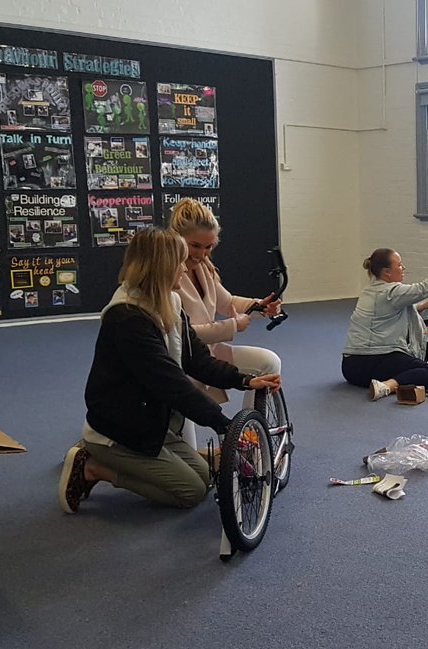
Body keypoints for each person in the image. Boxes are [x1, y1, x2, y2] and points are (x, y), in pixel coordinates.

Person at [59, 227, 281, 513]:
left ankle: (122, 460)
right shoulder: (127, 318)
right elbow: (171, 384)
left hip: (151, 421)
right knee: (190, 492)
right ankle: (94, 467)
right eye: (179, 262)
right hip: (118, 430)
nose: (184, 268)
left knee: (203, 479)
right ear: (161, 267)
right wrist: (223, 424)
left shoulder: (170, 301)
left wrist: (246, 381)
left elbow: (197, 361)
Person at [170, 198, 282, 448]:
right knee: (192, 471)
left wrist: (260, 306)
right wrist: (233, 326)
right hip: (178, 364)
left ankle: (251, 439)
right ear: (176, 239)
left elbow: (227, 302)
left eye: (208, 247)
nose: (201, 254)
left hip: (206, 355)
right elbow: (182, 335)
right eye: (194, 246)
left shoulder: (205, 268)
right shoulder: (167, 273)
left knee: (268, 363)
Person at [342, 248, 428, 400]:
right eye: (399, 265)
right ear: (387, 272)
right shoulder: (391, 292)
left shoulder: (370, 291)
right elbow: (424, 288)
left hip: (350, 369)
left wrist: (422, 306)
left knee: (413, 368)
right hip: (372, 363)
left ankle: (386, 383)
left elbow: (390, 313)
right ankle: (386, 386)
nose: (403, 268)